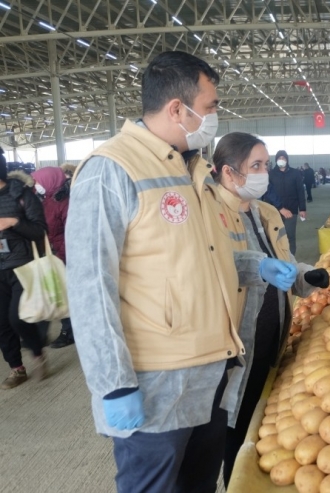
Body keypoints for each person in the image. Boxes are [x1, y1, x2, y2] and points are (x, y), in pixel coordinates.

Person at [66, 51, 248, 492]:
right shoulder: (111, 169)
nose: (213, 117)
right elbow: (91, 285)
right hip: (155, 385)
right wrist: (112, 384)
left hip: (210, 375)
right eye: (209, 108)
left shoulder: (194, 169)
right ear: (176, 109)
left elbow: (203, 255)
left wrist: (258, 266)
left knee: (198, 486)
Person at [210, 132, 327, 487]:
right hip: (235, 343)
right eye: (256, 166)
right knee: (230, 427)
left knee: (250, 428)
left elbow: (284, 265)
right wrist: (257, 268)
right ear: (229, 173)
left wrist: (309, 276)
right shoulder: (210, 214)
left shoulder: (266, 212)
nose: (266, 173)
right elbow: (213, 267)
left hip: (270, 335)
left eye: (266, 164)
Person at [0, 148, 48, 389]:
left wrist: (13, 222)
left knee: (17, 318)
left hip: (22, 267)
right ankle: (16, 369)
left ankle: (38, 352)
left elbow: (40, 230)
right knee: (2, 323)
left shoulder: (21, 194)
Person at [31, 167, 74, 348]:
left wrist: (61, 256)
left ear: (49, 181)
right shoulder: (44, 199)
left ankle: (68, 331)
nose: (36, 185)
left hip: (61, 254)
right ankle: (39, 334)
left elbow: (69, 232)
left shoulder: (64, 202)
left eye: (39, 182)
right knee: (50, 293)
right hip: (48, 253)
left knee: (62, 294)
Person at [268, 150, 306, 255]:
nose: (281, 160)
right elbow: (268, 192)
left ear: (287, 160)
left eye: (283, 158)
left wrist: (302, 208)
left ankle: (291, 258)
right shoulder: (271, 174)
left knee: (290, 235)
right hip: (275, 211)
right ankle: (279, 257)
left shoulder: (295, 173)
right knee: (276, 235)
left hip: (291, 210)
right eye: (279, 158)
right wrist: (276, 208)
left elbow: (300, 191)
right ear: (276, 160)